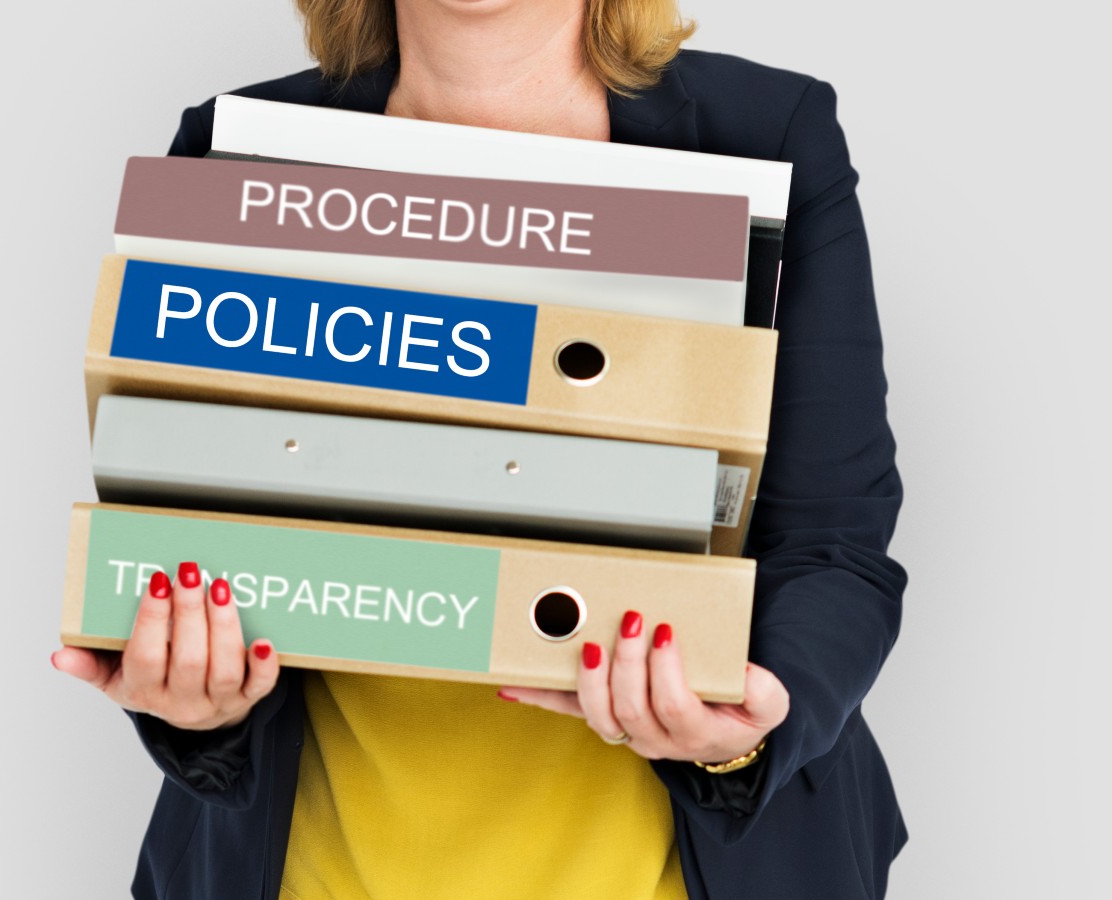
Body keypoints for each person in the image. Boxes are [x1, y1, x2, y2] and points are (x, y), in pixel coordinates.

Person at [53, 0, 909, 897]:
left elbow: (836, 546)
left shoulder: (764, 140)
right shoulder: (241, 150)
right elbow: (181, 533)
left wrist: (747, 731)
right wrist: (199, 707)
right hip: (314, 869)